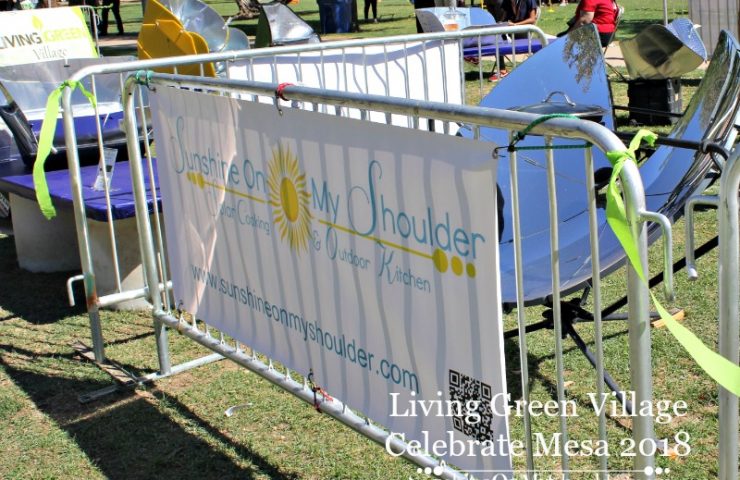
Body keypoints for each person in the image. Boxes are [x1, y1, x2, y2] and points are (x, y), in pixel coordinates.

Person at [486, 0, 538, 81]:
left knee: (499, 37)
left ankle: (536, 68)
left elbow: (532, 19)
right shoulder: (508, 2)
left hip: (524, 30)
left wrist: (515, 25)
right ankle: (502, 71)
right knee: (496, 37)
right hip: (512, 30)